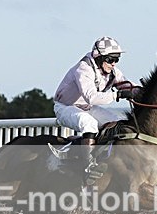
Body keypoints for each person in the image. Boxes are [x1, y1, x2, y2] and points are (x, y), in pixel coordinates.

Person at [53, 37, 138, 182]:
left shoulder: (112, 71)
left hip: (87, 108)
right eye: (111, 59)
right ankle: (87, 166)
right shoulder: (84, 68)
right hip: (66, 107)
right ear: (99, 57)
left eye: (117, 59)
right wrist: (117, 94)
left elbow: (127, 86)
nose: (114, 63)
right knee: (89, 124)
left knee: (117, 123)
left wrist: (144, 91)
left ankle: (99, 156)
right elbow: (91, 97)